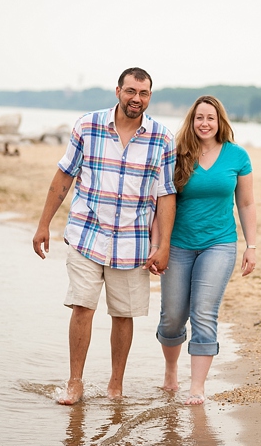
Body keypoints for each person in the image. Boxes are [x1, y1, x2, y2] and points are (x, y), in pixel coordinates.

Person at [33, 67, 177, 405]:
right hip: (87, 233)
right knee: (82, 306)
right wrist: (43, 225)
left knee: (123, 314)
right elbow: (64, 176)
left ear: (149, 97)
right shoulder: (88, 125)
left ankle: (115, 385)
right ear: (118, 91)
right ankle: (74, 383)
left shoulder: (162, 138)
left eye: (143, 93)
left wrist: (164, 245)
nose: (136, 99)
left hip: (133, 241)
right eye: (130, 91)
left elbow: (167, 194)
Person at [156, 95, 257, 405]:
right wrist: (156, 244)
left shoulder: (237, 156)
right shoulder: (176, 154)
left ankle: (196, 387)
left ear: (219, 121)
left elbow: (246, 202)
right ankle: (171, 370)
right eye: (199, 117)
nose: (204, 123)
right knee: (172, 317)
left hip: (220, 244)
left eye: (210, 118)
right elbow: (160, 202)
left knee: (203, 313)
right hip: (178, 245)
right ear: (192, 120)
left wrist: (251, 245)